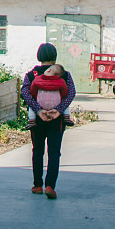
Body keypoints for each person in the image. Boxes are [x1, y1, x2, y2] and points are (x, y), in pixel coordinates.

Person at [21, 43, 76, 199]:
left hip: (37, 120)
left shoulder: (31, 75)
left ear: (39, 57)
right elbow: (71, 92)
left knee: (37, 151)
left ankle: (37, 185)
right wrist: (58, 111)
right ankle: (50, 185)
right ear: (54, 56)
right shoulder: (64, 74)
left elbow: (25, 92)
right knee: (54, 153)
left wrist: (39, 110)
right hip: (56, 120)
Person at [25, 63, 75, 129]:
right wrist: (59, 109)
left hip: (38, 117)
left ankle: (31, 121)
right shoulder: (64, 76)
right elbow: (69, 93)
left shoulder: (32, 76)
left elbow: (27, 93)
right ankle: (66, 117)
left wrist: (38, 109)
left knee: (38, 139)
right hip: (57, 117)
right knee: (65, 101)